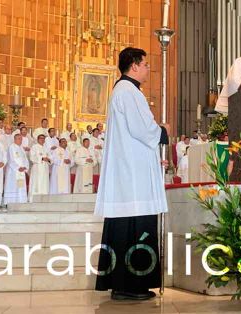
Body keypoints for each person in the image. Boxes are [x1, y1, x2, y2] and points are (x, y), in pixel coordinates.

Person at [94, 47, 168, 301]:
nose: (148, 68)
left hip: (131, 172)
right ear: (134, 65)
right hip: (133, 177)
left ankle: (123, 284)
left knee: (126, 227)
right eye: (145, 64)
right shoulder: (128, 92)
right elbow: (141, 128)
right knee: (136, 227)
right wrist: (162, 131)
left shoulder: (125, 91)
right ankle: (130, 286)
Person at [4, 134, 29, 204]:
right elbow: (10, 159)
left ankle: (20, 200)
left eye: (21, 139)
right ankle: (11, 202)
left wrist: (25, 167)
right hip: (13, 171)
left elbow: (25, 159)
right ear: (14, 139)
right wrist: (18, 168)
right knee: (13, 186)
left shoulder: (21, 148)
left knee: (20, 186)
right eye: (18, 138)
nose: (20, 140)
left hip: (21, 171)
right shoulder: (11, 147)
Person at [29, 134, 51, 201]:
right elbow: (32, 157)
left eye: (43, 138)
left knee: (44, 183)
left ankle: (44, 198)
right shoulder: (34, 147)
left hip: (45, 168)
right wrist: (41, 158)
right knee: (37, 182)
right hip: (37, 168)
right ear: (38, 139)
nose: (42, 140)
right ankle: (33, 198)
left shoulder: (46, 148)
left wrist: (48, 159)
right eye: (41, 138)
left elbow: (50, 157)